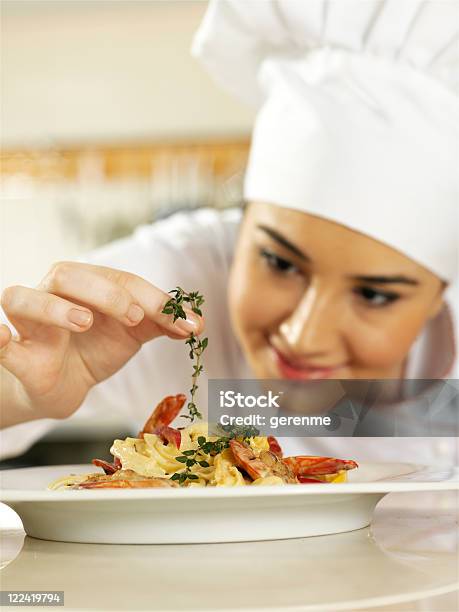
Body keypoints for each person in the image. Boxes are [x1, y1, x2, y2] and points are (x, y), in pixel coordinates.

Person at [0, 0, 457, 465]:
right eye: (279, 263)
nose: (304, 336)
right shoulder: (174, 289)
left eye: (375, 295)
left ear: (442, 292)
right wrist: (19, 395)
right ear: (242, 223)